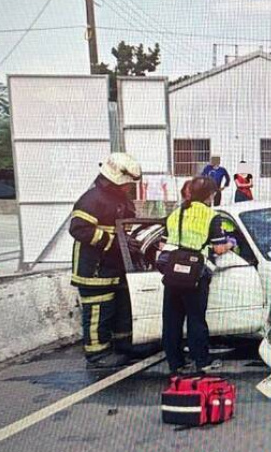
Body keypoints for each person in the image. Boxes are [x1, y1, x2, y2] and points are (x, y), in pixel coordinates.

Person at [70, 153, 144, 369]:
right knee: (98, 311)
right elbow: (79, 229)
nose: (129, 187)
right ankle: (97, 353)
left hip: (116, 267)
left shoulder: (120, 200)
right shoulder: (92, 199)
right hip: (94, 269)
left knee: (121, 308)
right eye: (127, 184)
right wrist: (114, 241)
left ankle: (124, 345)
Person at [162, 176, 235, 375]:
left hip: (173, 271)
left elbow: (163, 244)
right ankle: (202, 362)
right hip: (195, 273)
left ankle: (175, 363)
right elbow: (219, 249)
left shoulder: (175, 214)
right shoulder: (211, 216)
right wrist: (231, 243)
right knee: (196, 319)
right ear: (210, 195)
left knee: (171, 320)